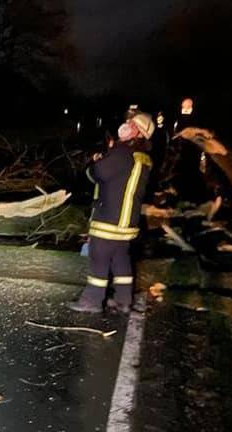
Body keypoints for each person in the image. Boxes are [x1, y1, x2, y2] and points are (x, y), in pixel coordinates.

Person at [69, 112, 155, 314]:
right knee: (120, 259)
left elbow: (98, 173)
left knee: (99, 258)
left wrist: (94, 163)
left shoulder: (121, 152)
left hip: (109, 219)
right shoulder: (143, 159)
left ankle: (91, 301)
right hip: (128, 223)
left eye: (132, 124)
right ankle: (123, 300)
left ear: (139, 133)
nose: (126, 124)